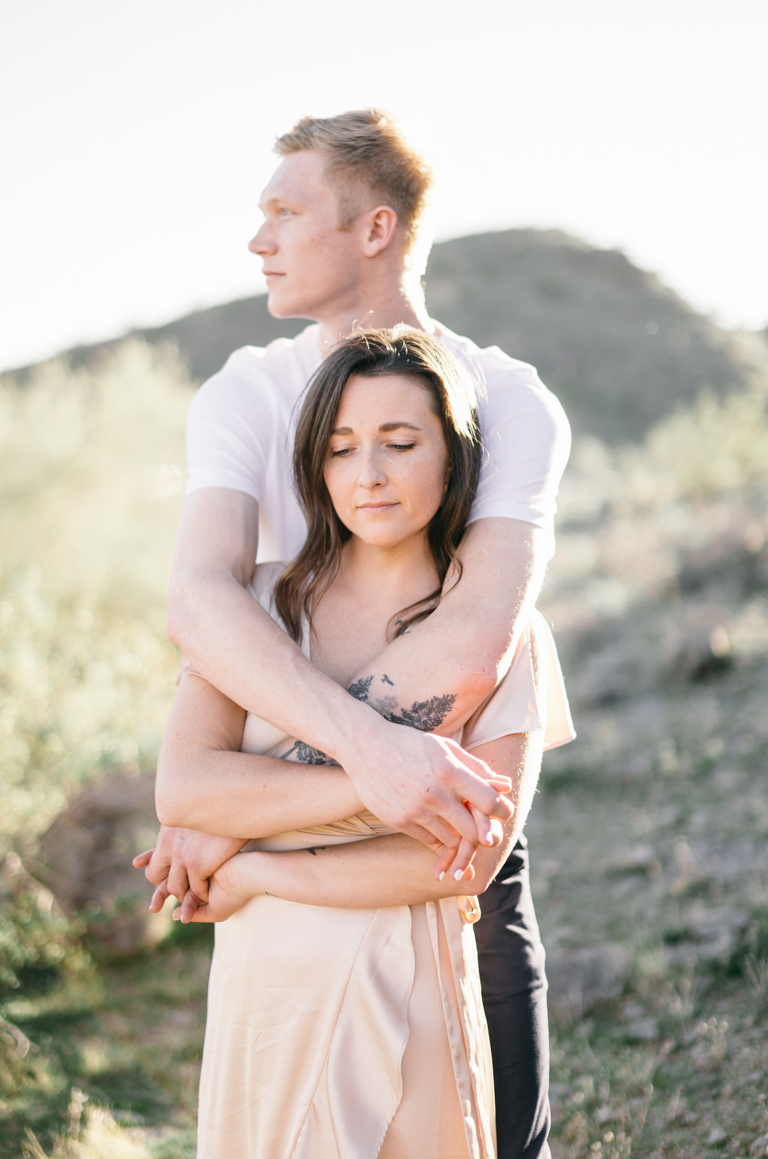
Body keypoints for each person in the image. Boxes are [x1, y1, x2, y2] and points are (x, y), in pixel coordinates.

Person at [140, 109, 572, 1157]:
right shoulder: (245, 393)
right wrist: (359, 761)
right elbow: (202, 601)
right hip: (285, 820)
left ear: (373, 230)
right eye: (338, 450)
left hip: (445, 801)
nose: (258, 240)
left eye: (285, 212)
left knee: (490, 1129)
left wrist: (241, 815)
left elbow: (473, 633)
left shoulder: (508, 400)